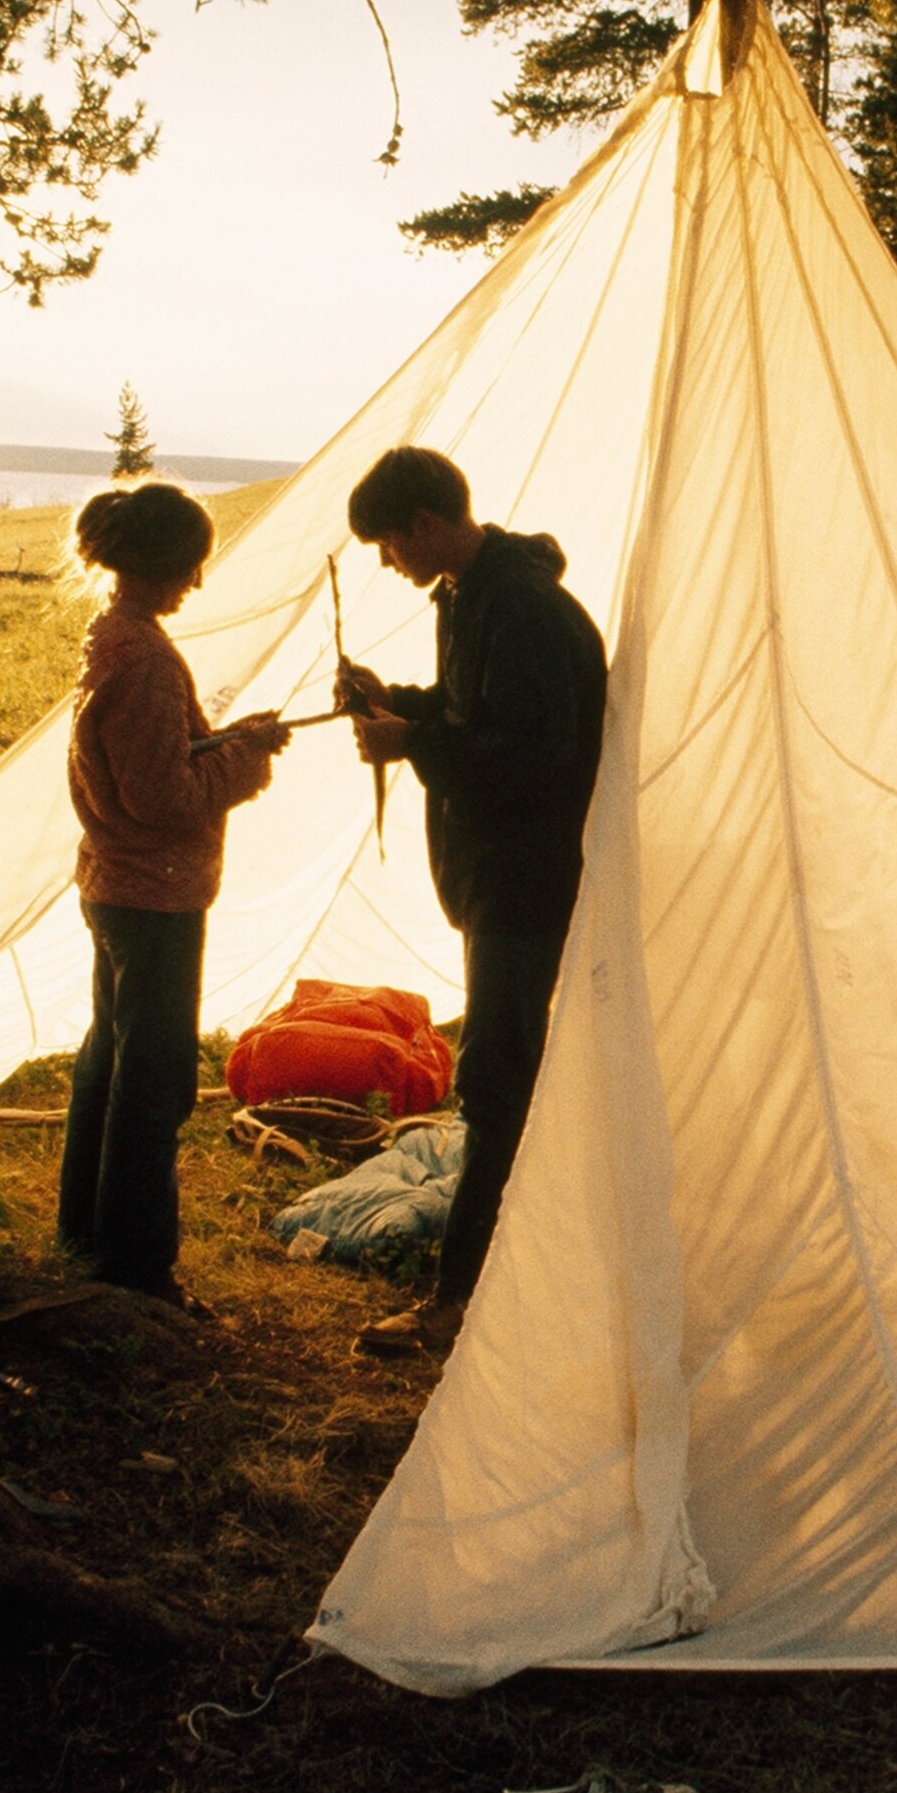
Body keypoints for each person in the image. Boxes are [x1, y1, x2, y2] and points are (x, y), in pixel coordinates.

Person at [338, 446, 606, 1356]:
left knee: (495, 1081)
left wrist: (411, 740)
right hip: (498, 876)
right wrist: (396, 704)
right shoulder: (475, 593)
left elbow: (532, 759)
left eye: (387, 544)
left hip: (526, 881)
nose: (386, 563)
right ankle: (507, 1274)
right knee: (501, 1076)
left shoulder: (519, 605)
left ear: (421, 524)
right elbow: (474, 715)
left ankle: (462, 1303)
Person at [58, 483, 289, 1305]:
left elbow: (146, 765)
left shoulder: (112, 638)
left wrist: (225, 737)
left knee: (108, 1062)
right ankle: (136, 1266)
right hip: (154, 894)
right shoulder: (149, 660)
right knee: (153, 1080)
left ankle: (83, 1235)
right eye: (191, 565)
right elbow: (165, 799)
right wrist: (246, 762)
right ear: (165, 564)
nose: (197, 579)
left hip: (111, 883)